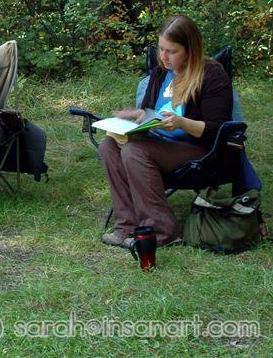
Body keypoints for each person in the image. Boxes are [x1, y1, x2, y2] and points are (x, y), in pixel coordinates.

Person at [99, 15, 233, 248]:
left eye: (171, 51)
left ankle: (162, 232)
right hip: (158, 141)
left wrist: (182, 123)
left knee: (134, 151)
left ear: (190, 50)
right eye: (161, 49)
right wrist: (136, 116)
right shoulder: (161, 72)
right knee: (108, 146)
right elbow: (150, 112)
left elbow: (218, 129)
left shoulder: (211, 75)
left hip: (198, 148)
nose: (163, 57)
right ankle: (126, 226)